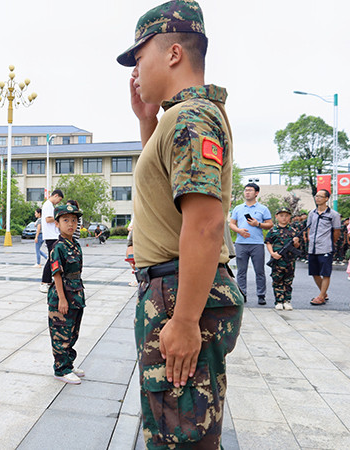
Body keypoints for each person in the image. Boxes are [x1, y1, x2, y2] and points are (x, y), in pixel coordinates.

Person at [117, 1, 244, 447]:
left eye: (139, 55)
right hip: (173, 289)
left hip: (179, 294)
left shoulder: (190, 117)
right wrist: (146, 121)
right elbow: (165, 196)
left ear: (173, 53)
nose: (135, 68)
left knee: (180, 435)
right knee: (175, 425)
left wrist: (186, 319)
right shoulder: (177, 117)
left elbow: (206, 225)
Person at [47, 204, 85, 384]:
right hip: (62, 296)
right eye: (65, 220)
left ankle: (68, 363)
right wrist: (62, 299)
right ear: (57, 223)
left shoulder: (75, 245)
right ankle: (61, 370)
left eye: (74, 220)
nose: (71, 224)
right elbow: (56, 274)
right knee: (61, 333)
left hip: (76, 295)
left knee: (72, 332)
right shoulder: (58, 247)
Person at [229, 183, 273, 305]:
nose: (247, 192)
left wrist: (257, 224)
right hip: (241, 243)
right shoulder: (238, 208)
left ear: (256, 193)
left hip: (257, 244)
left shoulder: (263, 209)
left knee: (259, 271)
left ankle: (261, 295)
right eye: (246, 190)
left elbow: (270, 224)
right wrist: (239, 231)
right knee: (241, 271)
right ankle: (242, 294)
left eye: (250, 190)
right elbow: (231, 223)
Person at [306, 189, 341, 305]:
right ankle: (323, 293)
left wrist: (331, 242)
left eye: (321, 196)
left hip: (326, 248)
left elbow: (337, 231)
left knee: (325, 273)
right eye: (317, 196)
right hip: (313, 248)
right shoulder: (312, 213)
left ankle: (321, 297)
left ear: (326, 199)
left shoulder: (333, 215)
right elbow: (309, 228)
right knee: (314, 272)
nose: (318, 198)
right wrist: (310, 239)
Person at [264, 207, 300, 311]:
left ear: (290, 217)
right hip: (277, 260)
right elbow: (268, 242)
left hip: (290, 261)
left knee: (288, 281)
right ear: (277, 216)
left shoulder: (293, 231)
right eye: (281, 215)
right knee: (277, 280)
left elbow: (297, 247)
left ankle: (287, 301)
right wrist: (272, 253)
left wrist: (296, 241)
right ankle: (278, 301)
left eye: (286, 216)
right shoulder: (273, 230)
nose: (284, 218)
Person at [40, 189, 64, 293]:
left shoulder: (49, 205)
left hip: (53, 235)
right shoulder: (48, 205)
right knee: (51, 259)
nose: (58, 202)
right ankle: (44, 282)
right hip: (51, 236)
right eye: (59, 199)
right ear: (56, 196)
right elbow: (48, 219)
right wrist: (59, 217)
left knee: (53, 259)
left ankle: (49, 281)